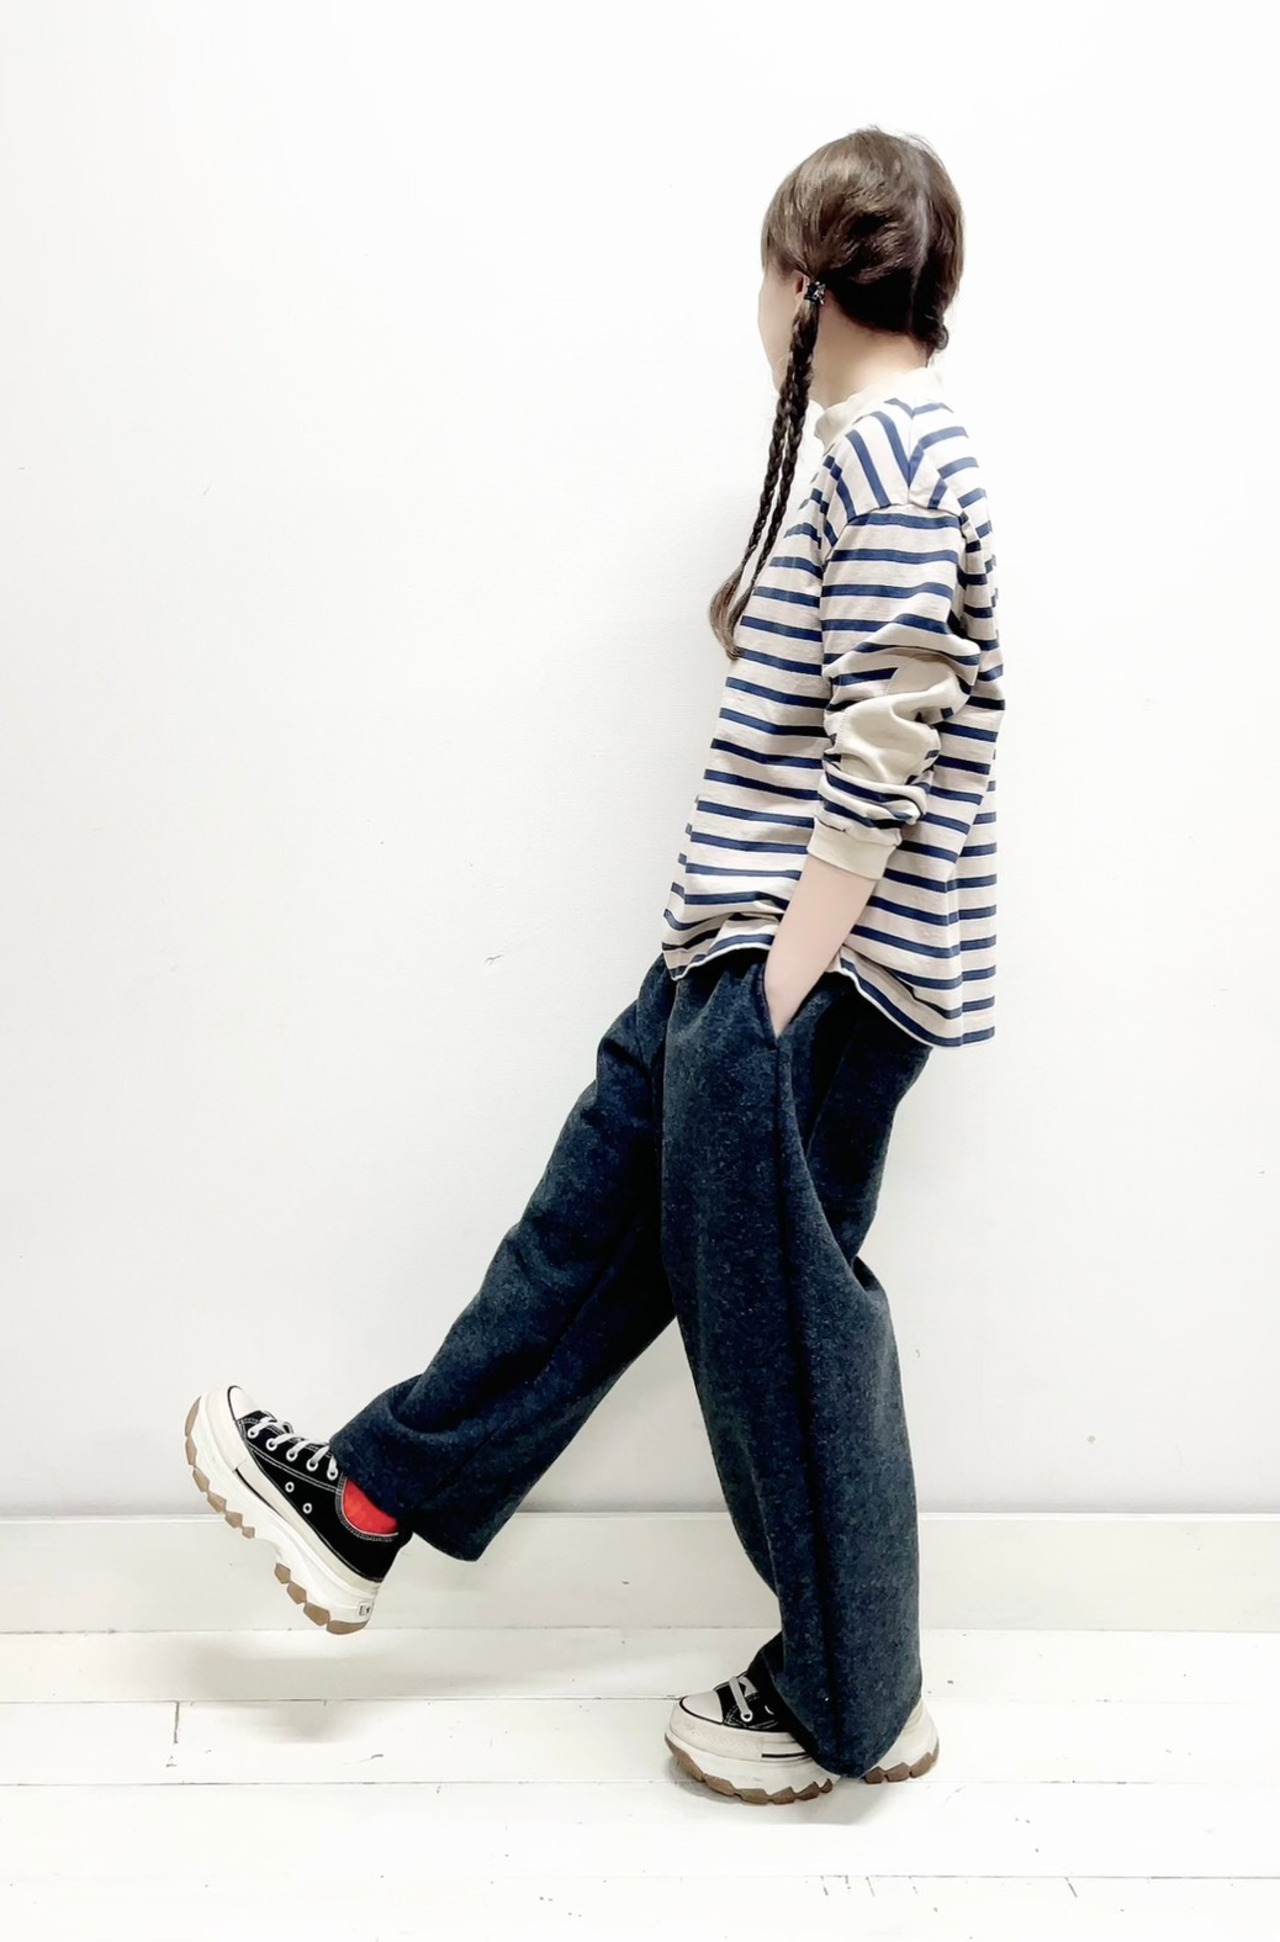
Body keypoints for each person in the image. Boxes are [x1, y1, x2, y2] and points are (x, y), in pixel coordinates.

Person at [184, 124, 1004, 1807]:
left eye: (762, 273)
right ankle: (363, 1511)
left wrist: (776, 995)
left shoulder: (900, 453)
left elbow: (887, 742)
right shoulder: (872, 449)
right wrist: (731, 979)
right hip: (728, 962)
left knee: (785, 1341)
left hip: (800, 985)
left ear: (804, 281)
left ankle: (857, 1695)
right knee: (571, 1256)